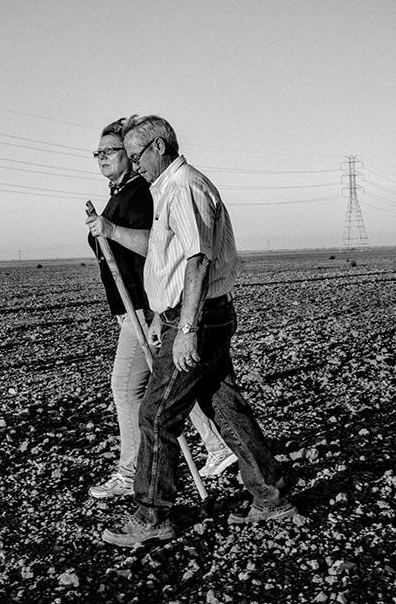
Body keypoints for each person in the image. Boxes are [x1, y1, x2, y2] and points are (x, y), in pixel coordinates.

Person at [87, 114, 296, 548]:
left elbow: (197, 260)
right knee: (226, 408)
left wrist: (185, 328)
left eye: (135, 155)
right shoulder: (168, 189)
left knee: (157, 414)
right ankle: (271, 498)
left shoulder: (184, 187)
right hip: (196, 315)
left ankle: (151, 517)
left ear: (159, 146)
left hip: (196, 316)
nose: (133, 164)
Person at [86, 118, 238, 500]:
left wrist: (112, 231)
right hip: (138, 310)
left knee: (129, 389)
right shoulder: (125, 193)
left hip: (145, 310)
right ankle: (221, 448)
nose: (103, 158)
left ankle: (132, 474)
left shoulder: (143, 194)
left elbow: (168, 252)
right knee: (173, 386)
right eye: (98, 153)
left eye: (113, 152)